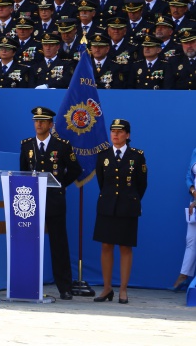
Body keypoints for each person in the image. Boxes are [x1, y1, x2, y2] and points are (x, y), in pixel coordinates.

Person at [20, 107, 82, 300]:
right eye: (36, 121)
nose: (38, 124)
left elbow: (75, 169)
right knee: (29, 242)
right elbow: (22, 171)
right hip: (32, 202)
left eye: (42, 121)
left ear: (50, 125)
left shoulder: (62, 145)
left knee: (59, 244)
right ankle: (27, 283)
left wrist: (60, 185)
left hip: (54, 200)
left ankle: (64, 287)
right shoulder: (26, 145)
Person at [94, 119, 147, 304]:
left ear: (128, 135)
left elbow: (141, 185)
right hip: (107, 206)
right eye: (113, 131)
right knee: (106, 246)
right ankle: (107, 288)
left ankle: (123, 289)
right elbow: (101, 182)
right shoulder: (103, 155)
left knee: (125, 247)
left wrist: (129, 199)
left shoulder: (137, 156)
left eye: (120, 131)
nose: (115, 135)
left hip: (127, 207)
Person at [173, 146, 196, 291]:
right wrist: (193, 191)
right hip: (194, 201)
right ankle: (184, 276)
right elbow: (189, 176)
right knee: (191, 240)